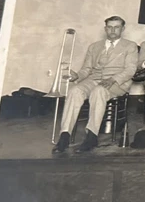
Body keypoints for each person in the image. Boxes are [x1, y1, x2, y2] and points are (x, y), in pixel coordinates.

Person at [53, 16, 138, 153]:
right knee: (75, 91)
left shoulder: (130, 46)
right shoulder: (94, 46)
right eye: (109, 27)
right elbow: (86, 69)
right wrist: (77, 76)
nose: (113, 30)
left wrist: (113, 79)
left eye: (116, 27)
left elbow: (130, 70)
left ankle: (91, 136)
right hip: (94, 79)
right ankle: (64, 135)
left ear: (123, 29)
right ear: (105, 29)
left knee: (99, 91)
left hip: (117, 83)